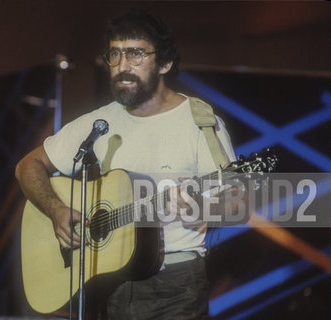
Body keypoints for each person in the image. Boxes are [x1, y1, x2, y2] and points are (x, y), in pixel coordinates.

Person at [16, 9, 236, 320]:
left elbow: (235, 200)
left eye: (135, 54)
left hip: (175, 286)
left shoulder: (199, 122)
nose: (122, 66)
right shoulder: (98, 123)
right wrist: (55, 209)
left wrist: (203, 209)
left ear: (165, 63)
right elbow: (27, 166)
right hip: (107, 286)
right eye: (115, 55)